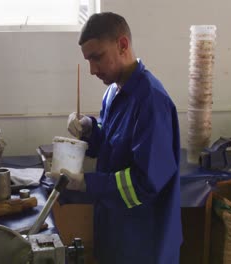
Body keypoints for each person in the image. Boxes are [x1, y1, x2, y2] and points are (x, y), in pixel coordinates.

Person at [48, 12, 182, 263]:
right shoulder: (113, 92)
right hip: (116, 233)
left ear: (122, 46)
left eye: (97, 57)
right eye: (88, 60)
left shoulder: (151, 101)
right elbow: (113, 146)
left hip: (143, 242)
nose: (92, 70)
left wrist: (87, 183)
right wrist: (90, 129)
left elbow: (146, 182)